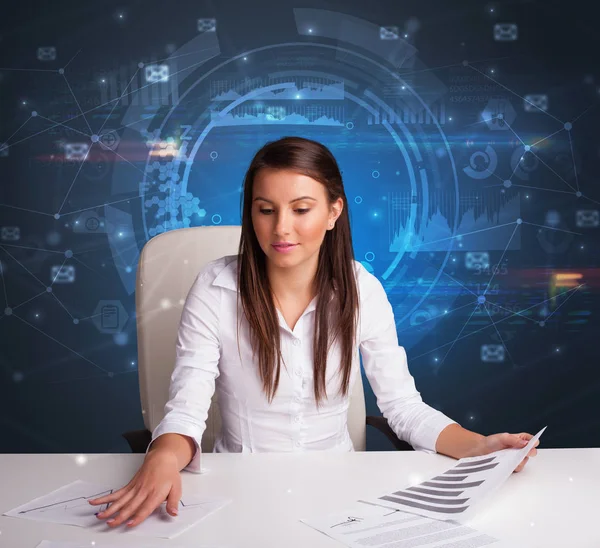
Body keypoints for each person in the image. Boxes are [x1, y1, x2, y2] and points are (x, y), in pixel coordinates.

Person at [89, 136, 538, 528]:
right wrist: (162, 458)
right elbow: (186, 407)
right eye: (265, 210)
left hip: (340, 490)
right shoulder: (216, 286)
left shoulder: (361, 288)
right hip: (240, 486)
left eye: (301, 209)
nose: (281, 228)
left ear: (333, 211)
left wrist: (479, 446)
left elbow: (402, 407)